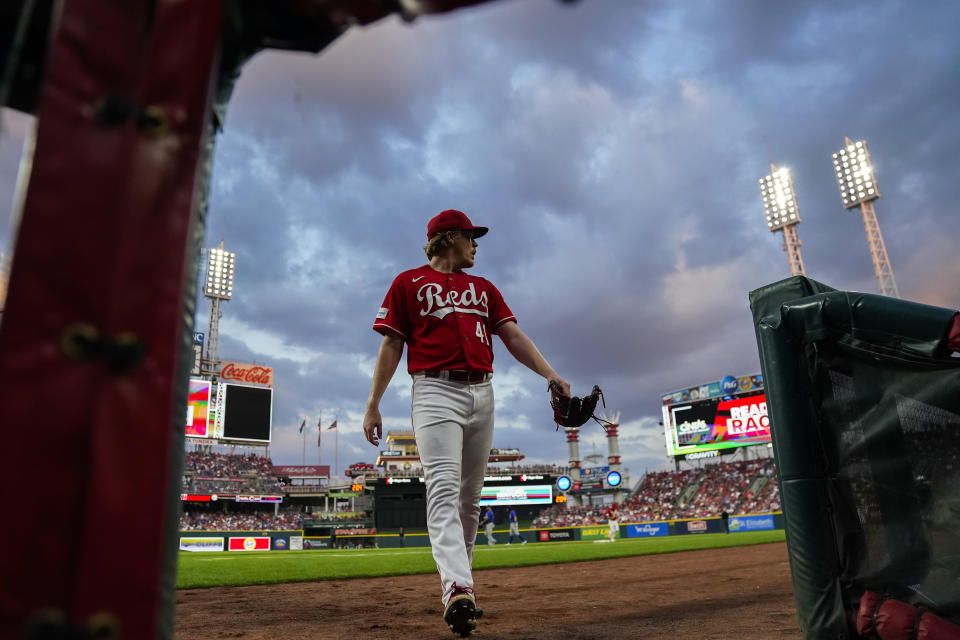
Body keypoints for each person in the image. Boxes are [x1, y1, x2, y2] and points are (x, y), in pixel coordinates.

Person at [362, 209, 570, 637]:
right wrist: (373, 403)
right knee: (442, 485)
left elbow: (512, 335)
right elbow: (392, 343)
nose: (476, 244)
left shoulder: (484, 288)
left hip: (484, 392)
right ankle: (456, 586)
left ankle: (462, 590)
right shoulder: (408, 282)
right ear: (449, 237)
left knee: (469, 500)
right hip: (435, 391)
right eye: (471, 236)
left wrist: (550, 374)